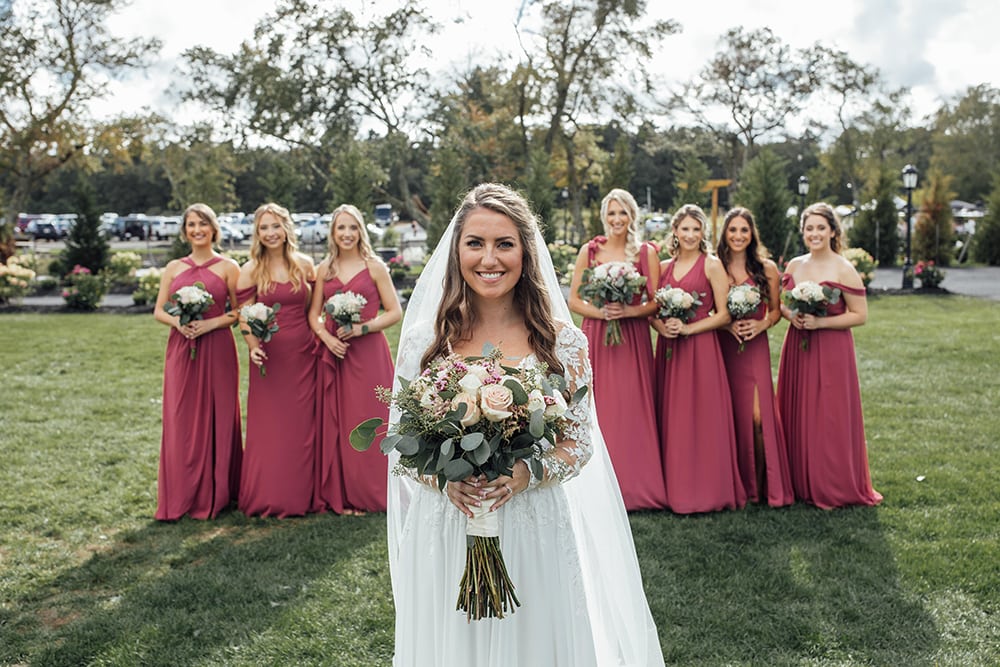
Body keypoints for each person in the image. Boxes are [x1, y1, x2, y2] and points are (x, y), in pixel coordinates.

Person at [388, 183, 663, 666]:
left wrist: (526, 474)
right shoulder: (424, 341)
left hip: (534, 523)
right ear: (456, 251)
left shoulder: (564, 342)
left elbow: (579, 443)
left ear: (526, 252)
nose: (488, 258)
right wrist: (442, 480)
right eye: (475, 242)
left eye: (504, 243)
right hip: (448, 524)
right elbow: (403, 443)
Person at [776, 203, 882, 509]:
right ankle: (798, 481)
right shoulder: (795, 265)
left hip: (832, 350)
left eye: (821, 228)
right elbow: (782, 303)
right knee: (798, 409)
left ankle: (832, 483)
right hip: (798, 346)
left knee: (829, 415)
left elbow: (859, 315)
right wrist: (790, 315)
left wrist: (820, 322)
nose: (815, 234)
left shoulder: (843, 268)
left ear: (833, 231)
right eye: (809, 228)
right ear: (803, 232)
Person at [568, 188, 667, 510]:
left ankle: (637, 488)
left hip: (633, 338)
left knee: (633, 406)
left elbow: (654, 302)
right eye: (611, 213)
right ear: (603, 217)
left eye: (622, 213)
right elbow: (574, 300)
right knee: (601, 407)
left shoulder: (645, 253)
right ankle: (597, 489)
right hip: (598, 335)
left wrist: (627, 312)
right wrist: (602, 313)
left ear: (632, 216)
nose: (616, 220)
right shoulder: (591, 250)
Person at [652, 204, 746, 514]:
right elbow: (651, 309)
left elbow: (724, 314)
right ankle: (675, 487)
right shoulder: (663, 266)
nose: (690, 235)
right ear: (675, 231)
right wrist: (662, 326)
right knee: (673, 416)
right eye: (685, 229)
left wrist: (689, 328)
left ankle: (708, 490)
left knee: (703, 417)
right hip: (669, 352)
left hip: (701, 350)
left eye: (696, 229)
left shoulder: (712, 265)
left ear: (703, 232)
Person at [309, 204, 402, 514]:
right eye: (341, 228)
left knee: (372, 420)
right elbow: (314, 315)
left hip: (369, 354)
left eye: (352, 227)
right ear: (332, 233)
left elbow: (394, 312)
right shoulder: (325, 269)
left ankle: (376, 493)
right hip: (337, 354)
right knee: (342, 421)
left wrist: (363, 327)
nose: (347, 234)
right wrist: (327, 338)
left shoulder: (374, 266)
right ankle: (346, 494)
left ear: (360, 231)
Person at [153, 203, 243, 520]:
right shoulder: (174, 267)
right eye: (191, 225)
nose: (197, 230)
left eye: (203, 224)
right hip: (181, 348)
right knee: (181, 418)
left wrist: (210, 323)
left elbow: (238, 311)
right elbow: (160, 309)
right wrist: (178, 323)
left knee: (219, 415)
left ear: (213, 229)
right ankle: (182, 492)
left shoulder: (229, 267)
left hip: (217, 347)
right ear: (185, 231)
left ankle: (219, 493)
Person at [237, 202, 320, 518]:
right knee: (269, 428)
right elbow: (245, 316)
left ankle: (302, 495)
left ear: (286, 228)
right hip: (268, 358)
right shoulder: (250, 270)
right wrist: (251, 345)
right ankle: (266, 494)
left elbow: (313, 310)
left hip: (303, 355)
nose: (270, 233)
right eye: (263, 228)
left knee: (301, 427)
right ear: (257, 233)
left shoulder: (305, 265)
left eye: (275, 226)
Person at [716, 208, 794, 507]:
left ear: (752, 234)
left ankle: (762, 487)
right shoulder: (717, 267)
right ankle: (738, 485)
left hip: (756, 347)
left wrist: (762, 324)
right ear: (725, 234)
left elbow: (776, 310)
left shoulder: (768, 268)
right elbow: (712, 311)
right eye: (732, 230)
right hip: (725, 346)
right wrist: (727, 324)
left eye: (743, 231)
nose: (738, 236)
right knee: (732, 415)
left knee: (759, 418)